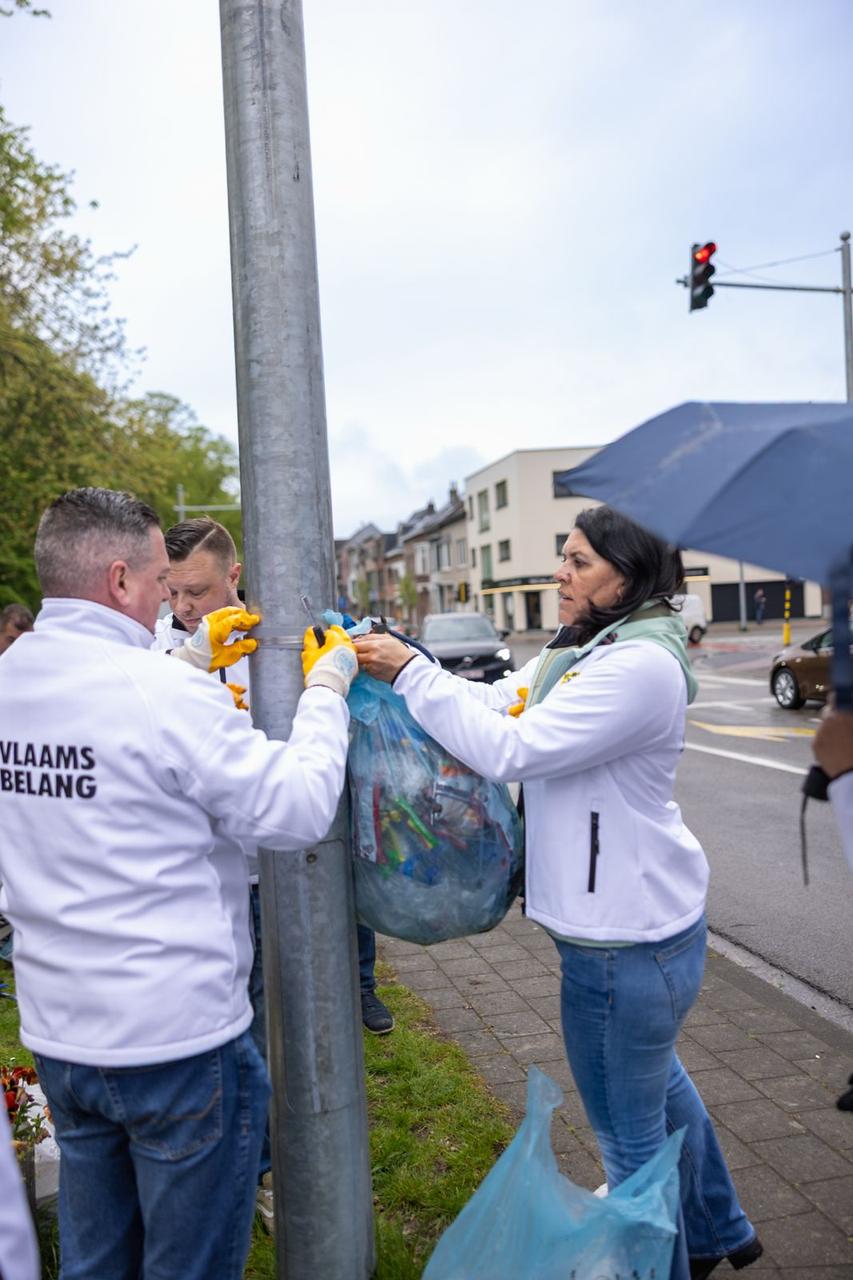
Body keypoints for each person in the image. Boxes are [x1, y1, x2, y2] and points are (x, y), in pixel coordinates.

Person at [355, 505, 762, 1280]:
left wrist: (409, 674)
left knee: (630, 1143)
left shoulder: (634, 666)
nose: (559, 574)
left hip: (621, 945)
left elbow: (514, 749)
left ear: (627, 576)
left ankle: (669, 1261)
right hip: (638, 931)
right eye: (563, 557)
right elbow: (499, 702)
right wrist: (414, 664)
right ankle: (719, 1230)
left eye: (578, 562)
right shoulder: (594, 644)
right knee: (660, 1088)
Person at [0, 487, 357, 1279]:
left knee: (97, 1261)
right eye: (163, 580)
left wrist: (193, 659)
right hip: (176, 1042)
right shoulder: (162, 693)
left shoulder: (11, 678)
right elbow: (295, 808)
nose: (170, 597)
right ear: (121, 578)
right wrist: (327, 693)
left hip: (63, 1035)